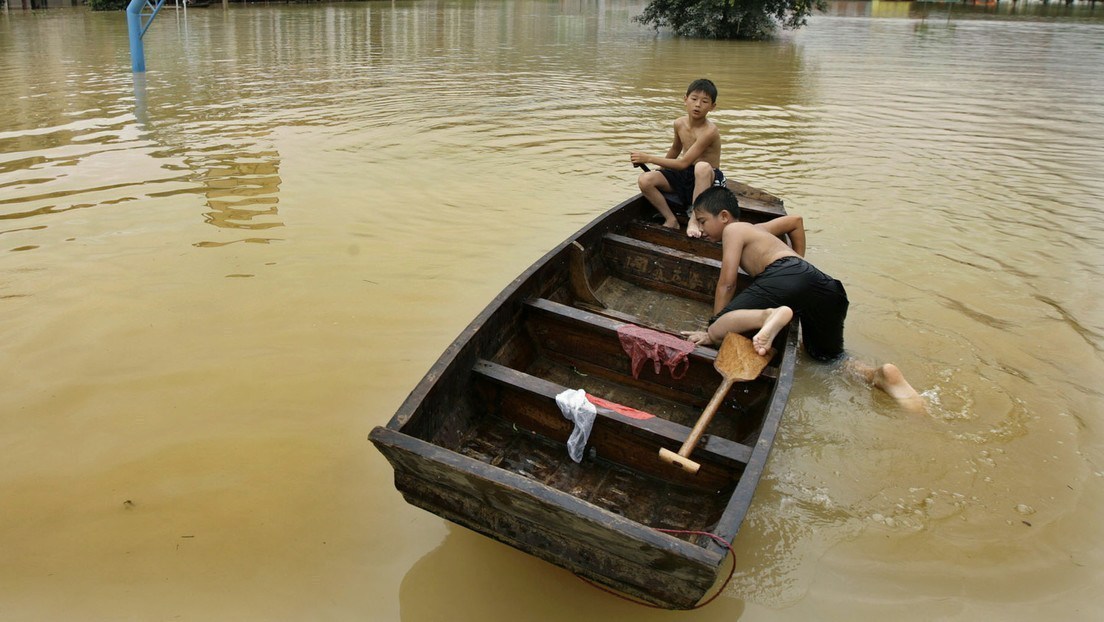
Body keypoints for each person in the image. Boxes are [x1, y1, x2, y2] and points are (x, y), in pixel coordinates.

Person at [682, 186, 923, 409]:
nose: (701, 229)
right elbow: (795, 222)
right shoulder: (758, 231)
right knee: (827, 359)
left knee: (717, 329)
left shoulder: (733, 230)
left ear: (724, 216)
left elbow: (727, 282)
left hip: (785, 277)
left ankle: (771, 315)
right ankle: (877, 375)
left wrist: (714, 326)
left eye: (702, 221)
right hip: (824, 286)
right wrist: (798, 263)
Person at [630, 78, 727, 238]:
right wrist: (660, 171)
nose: (697, 105)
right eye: (694, 99)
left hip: (707, 178)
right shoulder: (679, 123)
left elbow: (683, 163)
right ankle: (671, 219)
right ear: (685, 99)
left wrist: (648, 157)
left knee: (701, 167)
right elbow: (676, 149)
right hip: (686, 175)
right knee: (645, 180)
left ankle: (695, 220)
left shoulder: (710, 131)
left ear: (712, 107)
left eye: (704, 101)